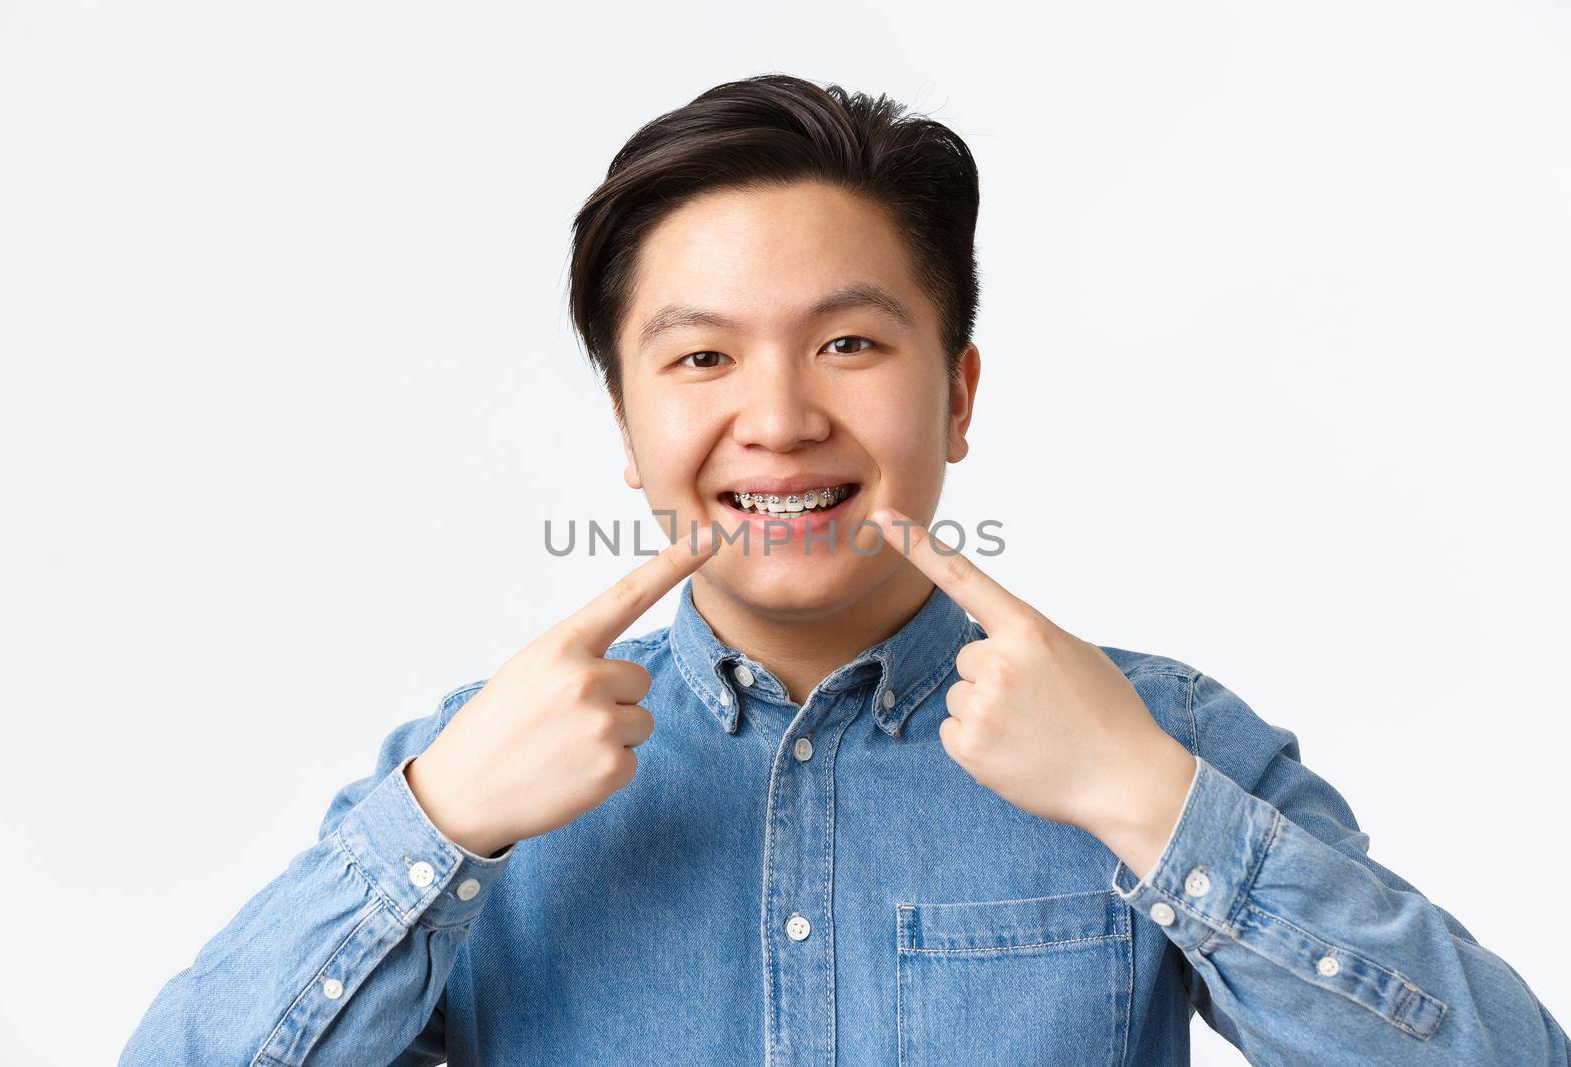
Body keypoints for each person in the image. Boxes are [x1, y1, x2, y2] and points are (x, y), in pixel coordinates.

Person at [120, 74, 1569, 1066]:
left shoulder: (1162, 738)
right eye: (699, 357)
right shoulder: (476, 764)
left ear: (958, 394)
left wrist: (1144, 802)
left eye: (850, 343)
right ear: (628, 429)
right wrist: (436, 826)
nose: (780, 418)